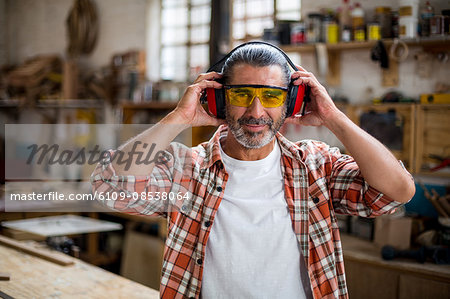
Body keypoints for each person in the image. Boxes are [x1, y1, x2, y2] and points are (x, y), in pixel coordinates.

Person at [91, 42, 415, 299]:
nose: (256, 112)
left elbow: (397, 191)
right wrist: (179, 118)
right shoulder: (187, 170)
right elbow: (108, 185)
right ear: (218, 100)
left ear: (292, 102)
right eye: (242, 95)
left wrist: (334, 118)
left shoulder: (316, 167)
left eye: (272, 96)